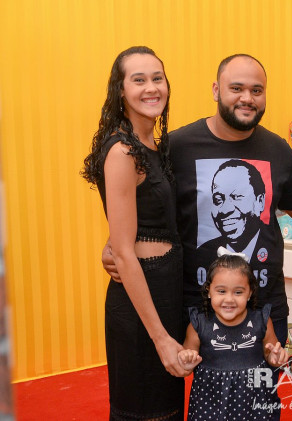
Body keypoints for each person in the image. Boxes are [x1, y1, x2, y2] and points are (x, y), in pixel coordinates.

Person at [103, 53, 292, 351]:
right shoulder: (176, 147)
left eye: (256, 90)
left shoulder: (279, 150)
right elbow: (150, 206)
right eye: (236, 88)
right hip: (197, 311)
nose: (247, 98)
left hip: (265, 312)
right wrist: (115, 245)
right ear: (216, 90)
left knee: (264, 382)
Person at [82, 46, 187, 420]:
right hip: (141, 304)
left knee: (167, 409)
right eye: (138, 80)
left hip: (166, 294)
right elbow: (124, 251)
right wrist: (161, 338)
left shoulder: (152, 146)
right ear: (121, 90)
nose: (151, 87)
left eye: (157, 78)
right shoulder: (123, 151)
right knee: (145, 412)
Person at [178, 254, 288, 420]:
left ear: (250, 293)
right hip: (210, 405)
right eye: (221, 291)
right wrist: (186, 359)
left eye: (238, 292)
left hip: (254, 405)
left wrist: (275, 357)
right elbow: (185, 362)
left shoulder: (262, 320)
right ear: (209, 291)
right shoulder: (198, 325)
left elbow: (271, 354)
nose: (229, 299)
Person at [199, 159, 270, 267]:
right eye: (218, 200)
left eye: (237, 197)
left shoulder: (270, 244)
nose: (225, 210)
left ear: (259, 201)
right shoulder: (203, 252)